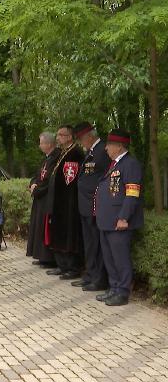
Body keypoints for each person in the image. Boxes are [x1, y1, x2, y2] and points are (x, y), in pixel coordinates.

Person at [95, 129, 144, 306]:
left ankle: (122, 292)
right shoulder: (114, 164)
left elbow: (132, 193)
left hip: (119, 221)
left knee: (120, 258)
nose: (106, 148)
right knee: (109, 257)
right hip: (107, 221)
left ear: (119, 146)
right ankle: (114, 287)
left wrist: (124, 217)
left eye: (109, 145)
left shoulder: (130, 164)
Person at [45, 125, 85, 280]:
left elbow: (70, 180)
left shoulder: (75, 153)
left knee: (69, 235)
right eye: (58, 134)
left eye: (61, 135)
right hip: (58, 201)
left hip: (68, 202)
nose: (58, 137)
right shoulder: (63, 152)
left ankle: (72, 268)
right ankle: (62, 266)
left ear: (69, 137)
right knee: (58, 234)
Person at [74, 122, 110, 291]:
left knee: (96, 243)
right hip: (85, 204)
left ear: (89, 136)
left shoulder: (103, 151)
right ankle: (90, 274)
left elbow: (105, 177)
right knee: (89, 242)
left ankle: (99, 279)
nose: (81, 143)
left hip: (95, 204)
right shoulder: (90, 152)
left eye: (81, 139)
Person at [26, 132, 60, 268]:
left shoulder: (56, 158)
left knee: (44, 227)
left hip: (47, 198)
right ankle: (41, 256)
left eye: (41, 143)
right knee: (38, 226)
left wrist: (36, 189)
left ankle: (48, 258)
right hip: (40, 198)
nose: (39, 145)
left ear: (48, 144)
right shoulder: (46, 158)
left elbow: (48, 180)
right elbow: (37, 175)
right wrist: (33, 183)